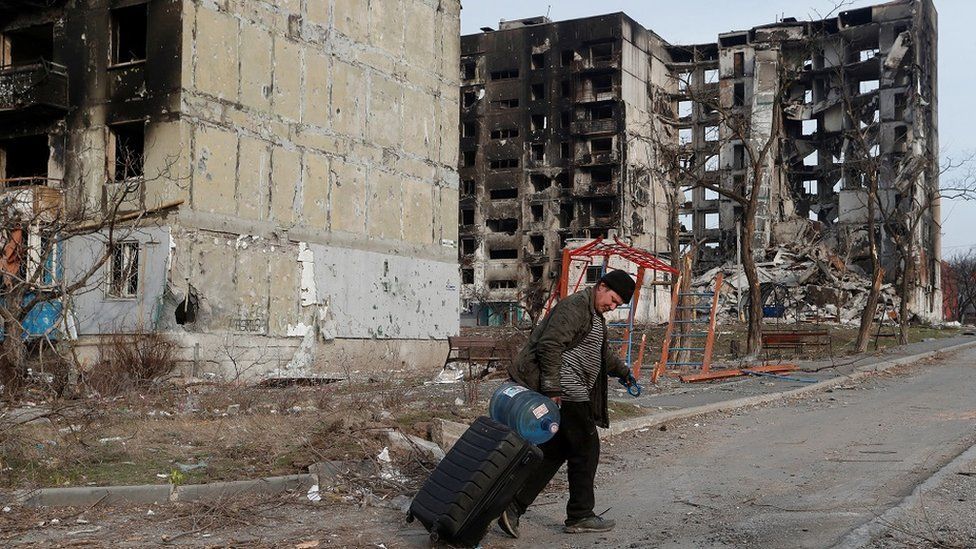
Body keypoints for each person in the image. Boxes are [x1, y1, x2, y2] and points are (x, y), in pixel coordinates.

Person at [498, 269, 636, 537]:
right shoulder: (575, 307)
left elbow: (602, 354)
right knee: (586, 447)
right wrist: (552, 388)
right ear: (602, 286)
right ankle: (580, 515)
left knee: (555, 451)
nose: (612, 306)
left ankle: (512, 505)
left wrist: (625, 373)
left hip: (572, 390)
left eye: (617, 304)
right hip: (567, 390)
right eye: (613, 299)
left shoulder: (594, 316)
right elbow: (549, 345)